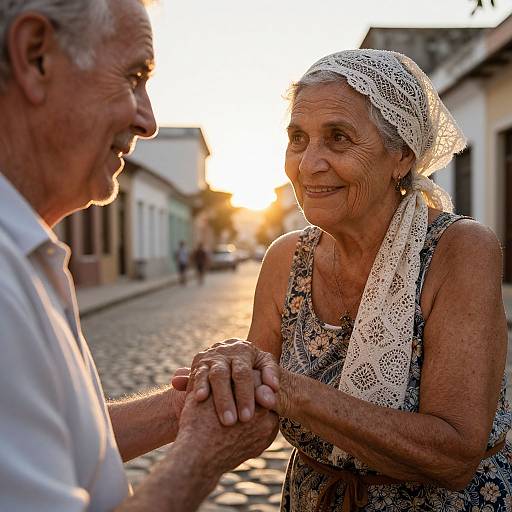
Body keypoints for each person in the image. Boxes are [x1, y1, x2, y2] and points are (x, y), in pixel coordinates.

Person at [181, 49, 512, 511]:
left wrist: (289, 389)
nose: (309, 163)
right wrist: (225, 375)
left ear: (402, 156)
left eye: (337, 138)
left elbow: (453, 454)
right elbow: (255, 409)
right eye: (298, 138)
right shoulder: (286, 260)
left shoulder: (458, 250)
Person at [0, 1, 279, 511]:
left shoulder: (25, 253)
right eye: (134, 76)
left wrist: (191, 405)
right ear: (35, 56)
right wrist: (201, 456)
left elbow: (57, 433)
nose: (148, 121)